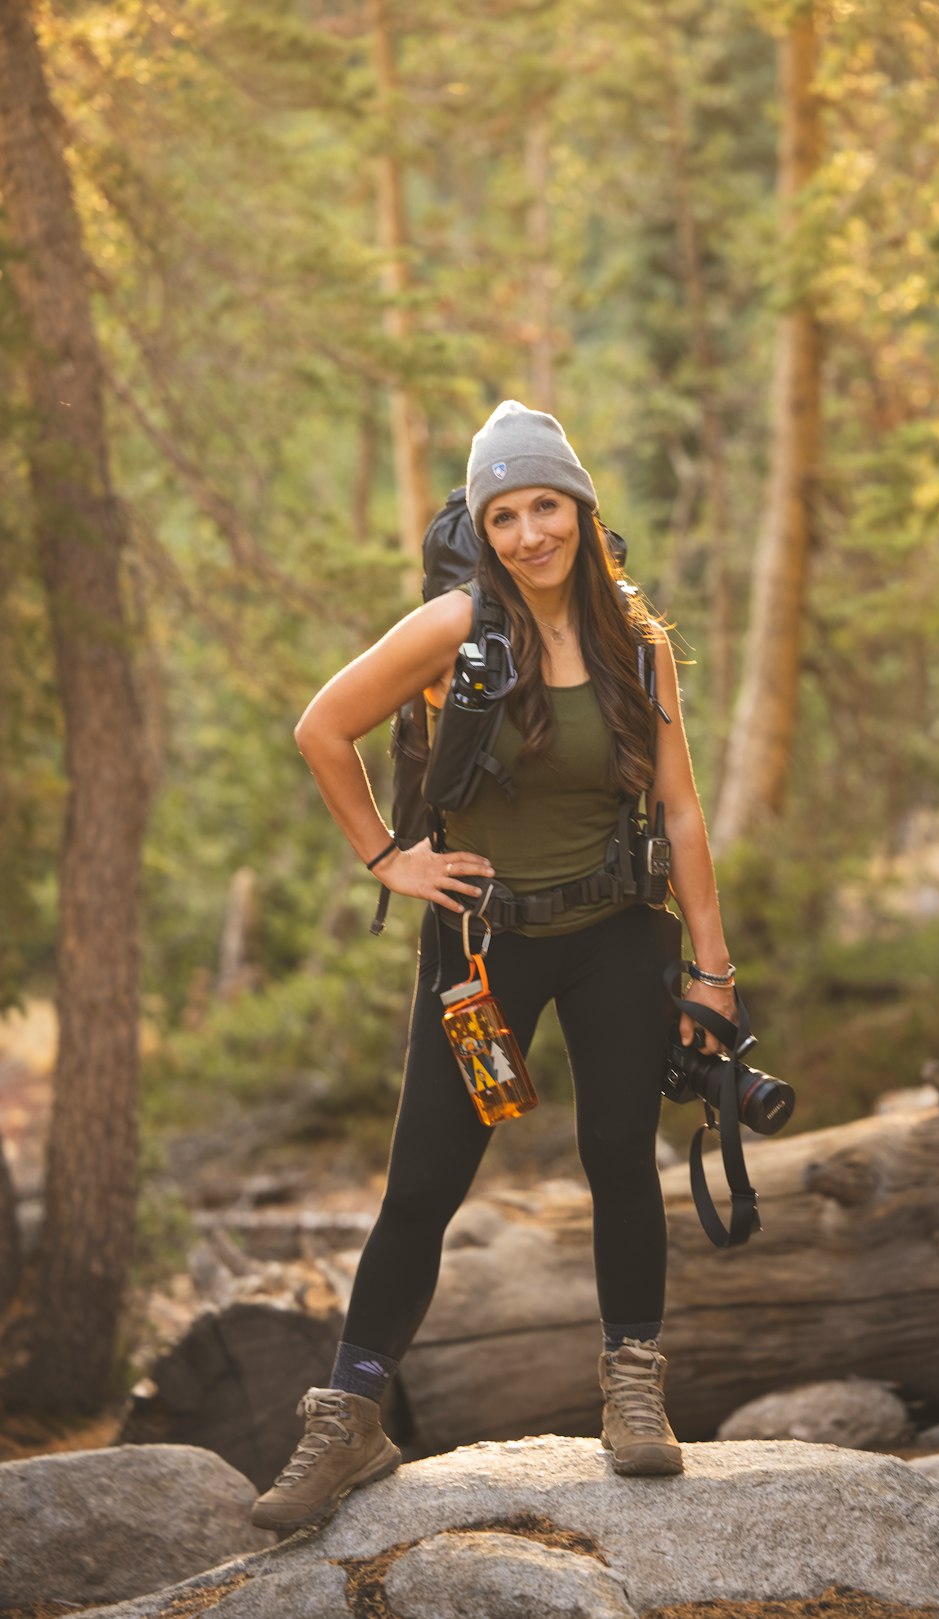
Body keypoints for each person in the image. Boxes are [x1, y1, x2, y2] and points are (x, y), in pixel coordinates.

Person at [251, 401, 737, 1532]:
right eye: (505, 513)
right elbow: (324, 727)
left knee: (620, 1155)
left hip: (619, 928)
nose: (529, 532)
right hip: (483, 941)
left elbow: (682, 805)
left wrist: (712, 969)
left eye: (546, 506)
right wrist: (388, 856)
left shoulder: (637, 641)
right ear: (484, 524)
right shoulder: (456, 625)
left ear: (581, 509)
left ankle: (631, 1386)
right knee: (424, 1180)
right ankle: (353, 1413)